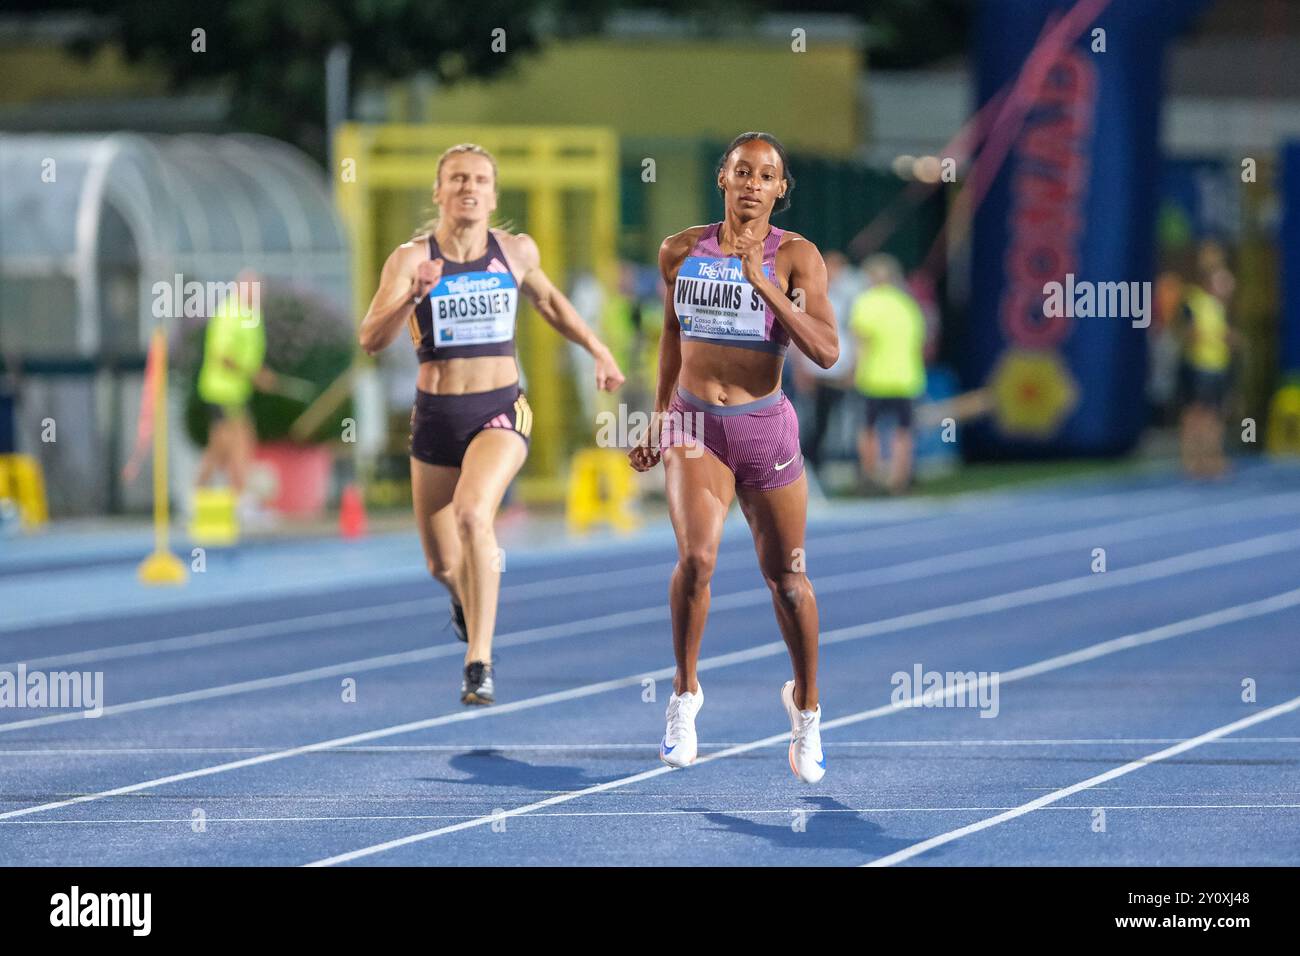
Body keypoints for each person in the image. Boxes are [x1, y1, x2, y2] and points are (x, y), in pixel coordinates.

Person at [358, 143, 624, 705]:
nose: (468, 188)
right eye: (456, 178)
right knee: (439, 563)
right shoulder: (410, 260)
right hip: (434, 418)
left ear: (493, 194)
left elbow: (551, 304)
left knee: (475, 514)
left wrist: (599, 350)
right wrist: (411, 295)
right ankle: (463, 598)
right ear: (439, 192)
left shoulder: (514, 250)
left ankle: (478, 659)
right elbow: (370, 340)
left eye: (479, 179)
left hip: (499, 410)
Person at [629, 131, 839, 784]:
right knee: (696, 559)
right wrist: (660, 416)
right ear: (723, 177)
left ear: (780, 189)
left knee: (789, 582)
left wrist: (766, 286)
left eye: (766, 174)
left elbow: (828, 351)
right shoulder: (679, 252)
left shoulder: (798, 257)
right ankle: (685, 695)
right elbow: (670, 333)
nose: (752, 182)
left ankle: (806, 708)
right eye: (742, 170)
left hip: (764, 431)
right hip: (696, 428)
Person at [195, 269, 280, 521]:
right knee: (240, 443)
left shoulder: (251, 316)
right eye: (253, 289)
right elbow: (224, 356)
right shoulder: (230, 315)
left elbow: (247, 355)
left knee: (221, 448)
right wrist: (254, 375)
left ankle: (202, 497)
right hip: (221, 391)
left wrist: (259, 372)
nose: (258, 295)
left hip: (234, 392)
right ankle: (241, 502)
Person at [850, 254, 927, 494]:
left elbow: (861, 342)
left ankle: (870, 477)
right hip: (907, 378)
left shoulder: (866, 302)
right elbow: (920, 342)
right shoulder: (908, 304)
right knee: (903, 430)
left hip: (874, 378)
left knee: (868, 429)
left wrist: (854, 371)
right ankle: (899, 479)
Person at [793, 250, 859, 482]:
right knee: (816, 420)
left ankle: (842, 465)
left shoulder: (847, 296)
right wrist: (801, 367)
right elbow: (797, 331)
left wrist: (854, 366)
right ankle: (808, 465)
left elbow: (854, 333)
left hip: (841, 366)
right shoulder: (805, 293)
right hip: (816, 367)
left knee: (844, 419)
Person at [1176, 246, 1234, 479]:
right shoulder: (1193, 300)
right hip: (1198, 366)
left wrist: (1229, 338)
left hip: (1217, 366)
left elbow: (1219, 331)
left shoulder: (1216, 306)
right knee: (1196, 414)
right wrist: (1213, 337)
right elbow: (1188, 333)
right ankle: (1192, 459)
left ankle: (1212, 457)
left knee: (1215, 415)